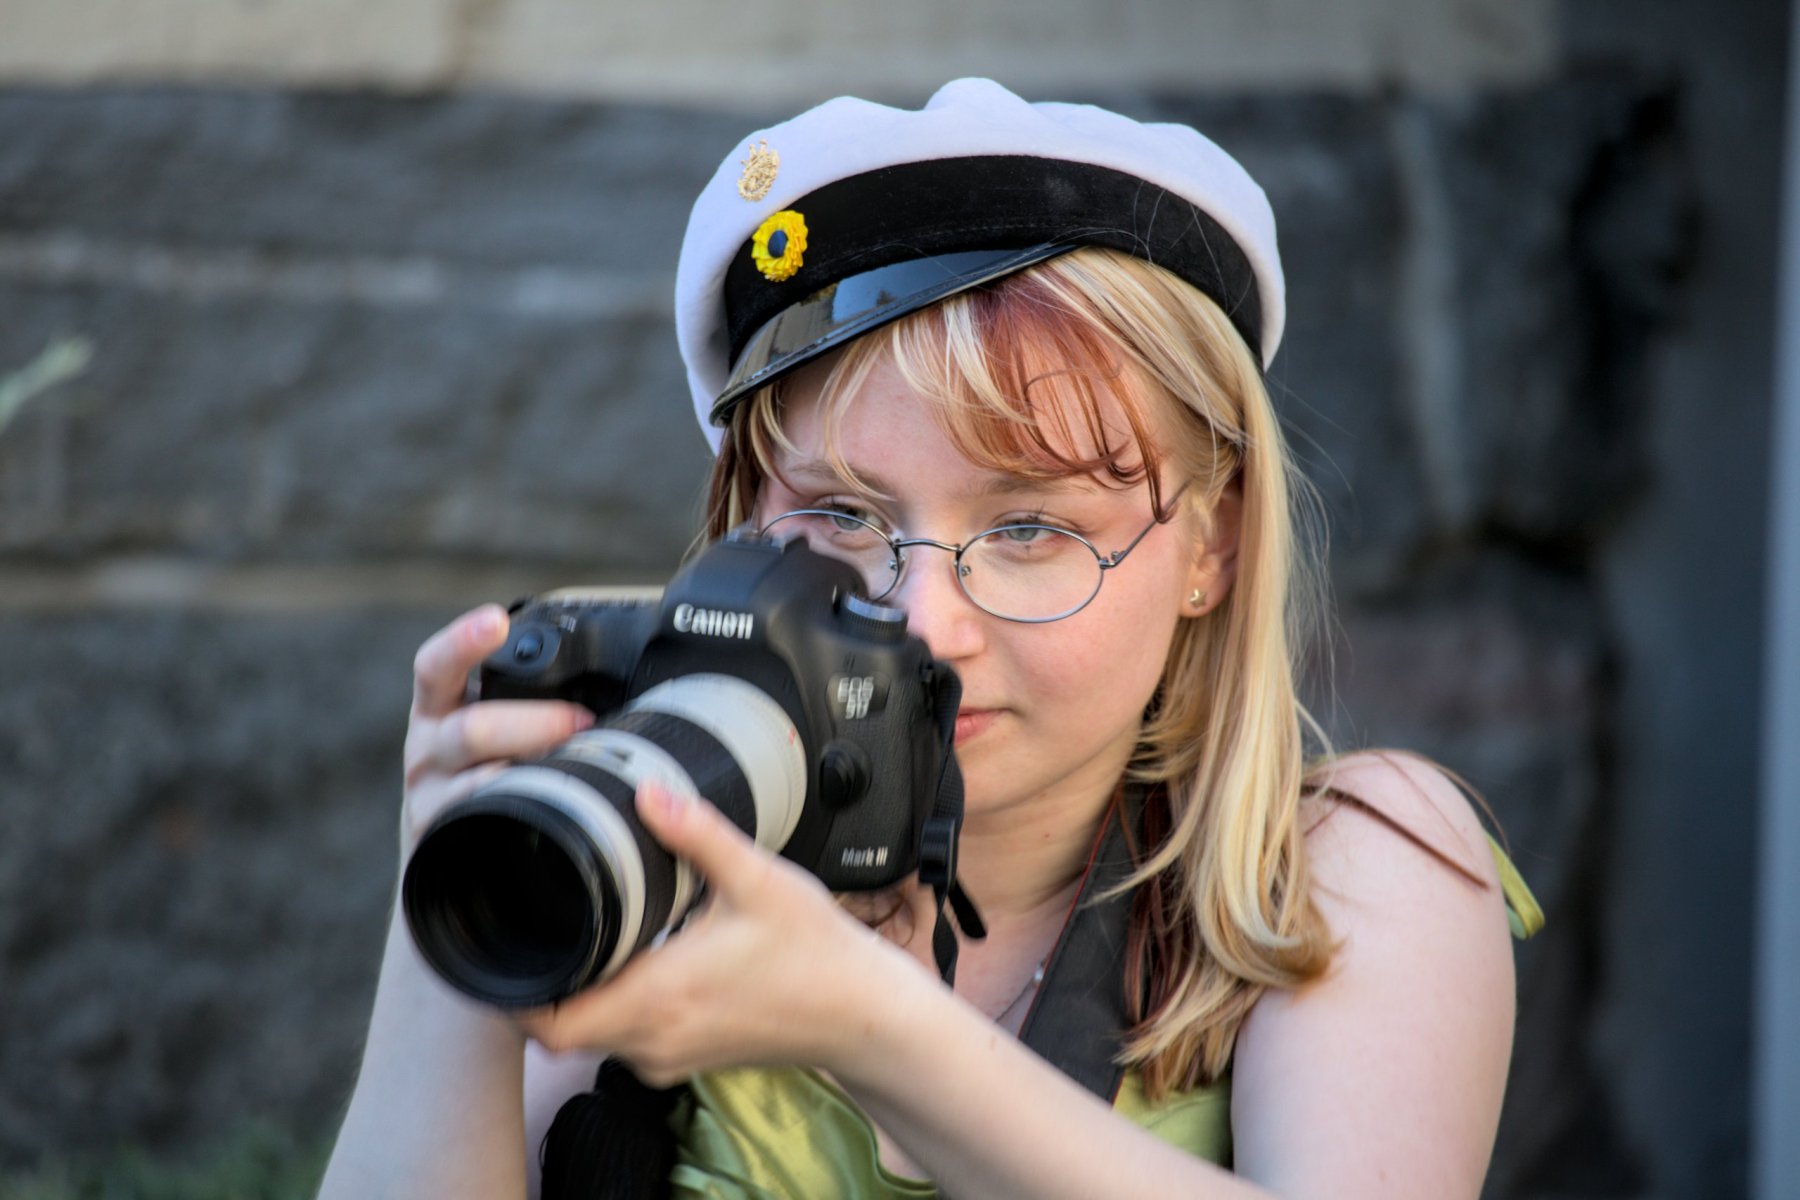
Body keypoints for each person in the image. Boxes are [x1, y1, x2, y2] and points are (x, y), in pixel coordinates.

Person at [319, 78, 1540, 1199]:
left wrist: (871, 1031)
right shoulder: (658, 859)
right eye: (843, 517)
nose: (926, 624)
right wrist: (470, 891)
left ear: (1211, 548)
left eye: (1030, 528)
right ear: (746, 523)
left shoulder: (1343, 866)